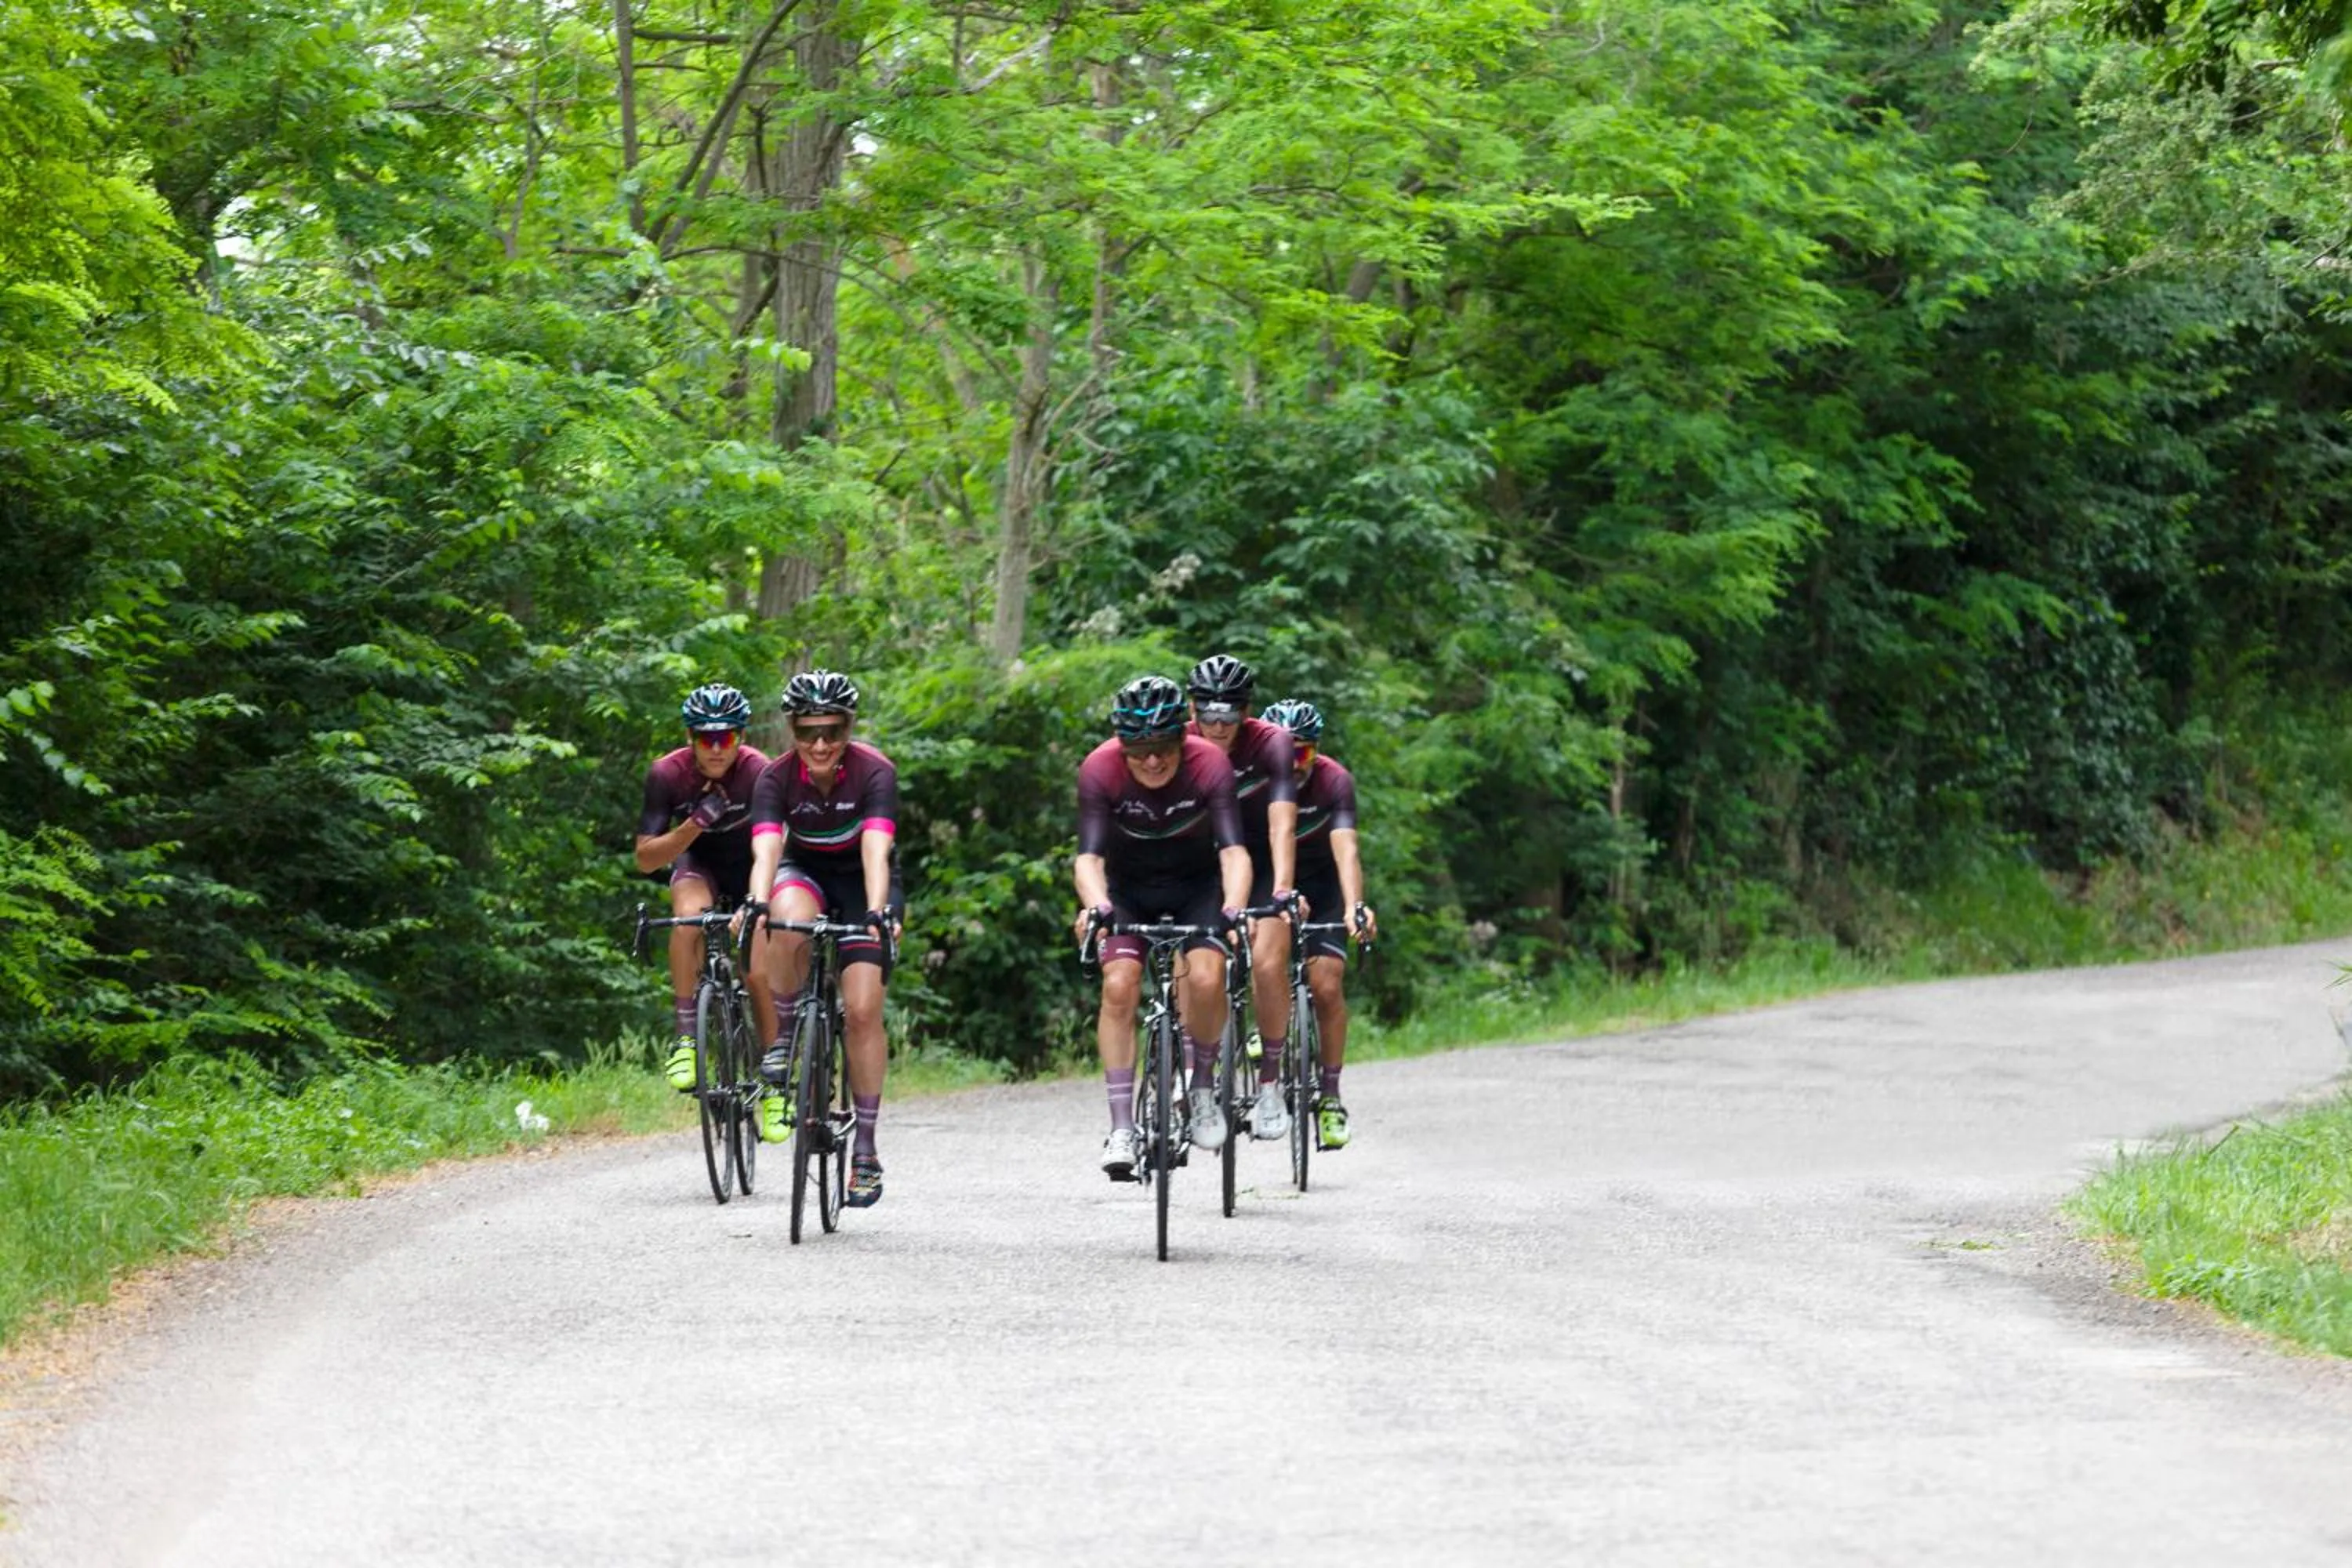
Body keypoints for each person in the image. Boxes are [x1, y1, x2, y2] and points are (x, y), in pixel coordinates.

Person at [1074, 674, 1254, 1180]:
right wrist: (1097, 905)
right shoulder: (1099, 769)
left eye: (1163, 747)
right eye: (1139, 749)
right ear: (1122, 745)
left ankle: (1199, 1086)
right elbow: (1088, 858)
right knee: (1119, 985)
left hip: (1198, 889)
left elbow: (1234, 851)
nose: (1152, 760)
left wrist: (1236, 908)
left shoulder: (1210, 764)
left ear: (1182, 737)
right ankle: (1122, 1127)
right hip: (1128, 892)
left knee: (1204, 977)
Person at [746, 670, 903, 1207]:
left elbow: (876, 849)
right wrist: (755, 902)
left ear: (848, 728)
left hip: (864, 883)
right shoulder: (774, 778)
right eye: (808, 731)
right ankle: (787, 1035)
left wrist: (880, 911)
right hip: (806, 872)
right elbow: (766, 851)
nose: (820, 744)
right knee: (783, 919)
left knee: (862, 1010)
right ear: (791, 729)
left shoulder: (874, 771)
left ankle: (865, 1147)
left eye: (832, 732)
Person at [635, 683, 777, 1091]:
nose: (717, 748)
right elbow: (646, 860)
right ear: (690, 738)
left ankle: (776, 1077)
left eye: (727, 737)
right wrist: (694, 823)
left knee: (757, 971)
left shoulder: (758, 771)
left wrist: (756, 902)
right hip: (699, 864)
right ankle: (685, 1041)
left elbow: (773, 843)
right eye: (706, 738)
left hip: (751, 866)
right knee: (688, 921)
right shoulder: (668, 774)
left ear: (742, 737)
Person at [1185, 654, 1300, 1140]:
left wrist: (1281, 890)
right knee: (1187, 963)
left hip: (1260, 861)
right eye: (1206, 714)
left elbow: (1283, 822)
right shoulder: (1179, 742)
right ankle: (1194, 1071)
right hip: (1200, 863)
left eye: (1228, 715)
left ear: (1247, 711)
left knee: (1270, 964)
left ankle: (1271, 1082)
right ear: (1191, 710)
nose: (1216, 725)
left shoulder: (1272, 744)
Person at [1260, 699, 1378, 1149]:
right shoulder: (1255, 782)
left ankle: (1329, 1096)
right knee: (1261, 957)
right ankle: (1265, 1027)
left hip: (1324, 884)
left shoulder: (1334, 780)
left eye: (1303, 754)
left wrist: (1355, 906)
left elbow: (1346, 849)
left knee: (1327, 984)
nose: (1293, 766)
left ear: (1317, 752)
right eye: (1284, 756)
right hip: (1271, 880)